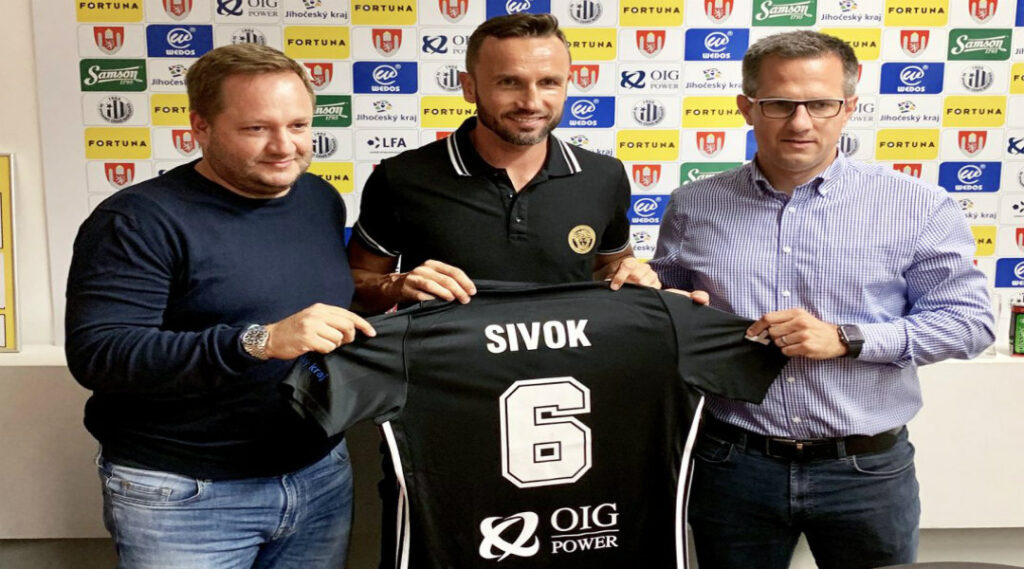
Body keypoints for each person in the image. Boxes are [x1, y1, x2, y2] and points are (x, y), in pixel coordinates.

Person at [650, 31, 994, 569]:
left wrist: (847, 339)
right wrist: (649, 294)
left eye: (821, 104)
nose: (800, 122)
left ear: (849, 107)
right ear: (746, 107)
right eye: (779, 104)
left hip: (866, 470)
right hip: (732, 465)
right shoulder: (694, 205)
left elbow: (970, 324)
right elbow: (664, 313)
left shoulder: (918, 205)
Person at [65, 44, 375, 569]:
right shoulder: (137, 220)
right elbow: (101, 354)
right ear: (200, 127)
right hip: (185, 494)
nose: (284, 146)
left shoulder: (318, 198)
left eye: (299, 125)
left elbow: (306, 298)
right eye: (256, 129)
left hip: (319, 475)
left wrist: (392, 287)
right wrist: (259, 341)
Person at [347, 12, 659, 314]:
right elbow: (354, 287)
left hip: (569, 351)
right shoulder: (401, 177)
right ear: (469, 87)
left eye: (548, 82)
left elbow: (608, 265)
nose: (531, 102)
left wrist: (628, 273)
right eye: (509, 82)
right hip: (445, 352)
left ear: (567, 84)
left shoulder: (604, 176)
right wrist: (397, 285)